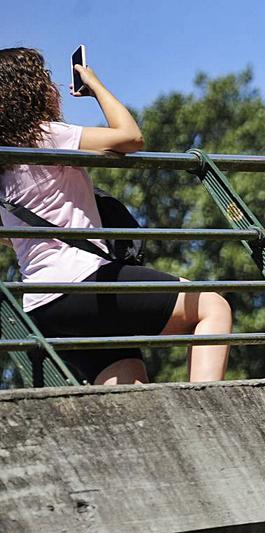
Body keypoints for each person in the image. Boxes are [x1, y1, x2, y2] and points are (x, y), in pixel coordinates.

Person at [0, 47, 232, 385]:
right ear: (30, 90)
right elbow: (130, 136)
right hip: (85, 285)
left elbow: (9, 238)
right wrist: (94, 85)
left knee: (129, 385)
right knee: (211, 306)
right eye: (45, 80)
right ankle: (208, 413)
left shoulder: (3, 165)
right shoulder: (46, 135)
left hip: (43, 306)